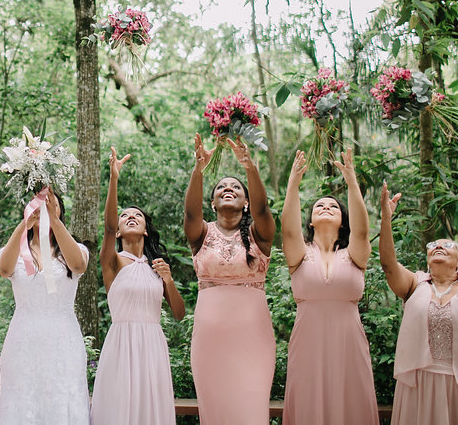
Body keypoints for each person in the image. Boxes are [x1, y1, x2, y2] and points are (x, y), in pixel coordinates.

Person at [380, 182, 458, 425]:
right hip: (421, 387)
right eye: (432, 245)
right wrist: (386, 218)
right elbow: (388, 265)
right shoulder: (415, 285)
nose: (437, 246)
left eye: (447, 245)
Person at [280, 148, 378, 425]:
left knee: (350, 404)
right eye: (319, 206)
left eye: (333, 206)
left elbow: (362, 231)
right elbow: (288, 230)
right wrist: (293, 184)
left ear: (343, 221)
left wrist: (352, 181)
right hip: (308, 343)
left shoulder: (354, 254)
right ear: (310, 220)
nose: (326, 207)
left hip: (348, 345)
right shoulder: (299, 254)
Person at [184, 134, 276, 425]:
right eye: (221, 186)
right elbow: (189, 212)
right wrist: (198, 169)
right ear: (212, 203)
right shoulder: (201, 235)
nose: (228, 188)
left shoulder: (258, 234)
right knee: (215, 410)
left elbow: (262, 210)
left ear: (246, 202)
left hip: (253, 338)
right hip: (209, 340)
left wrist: (249, 167)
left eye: (235, 187)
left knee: (251, 406)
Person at [90, 147, 185, 425]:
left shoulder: (158, 267)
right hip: (122, 343)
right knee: (120, 409)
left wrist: (167, 280)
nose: (130, 216)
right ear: (118, 231)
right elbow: (106, 228)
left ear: (145, 229)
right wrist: (113, 178)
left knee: (149, 409)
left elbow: (179, 314)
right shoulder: (113, 262)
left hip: (152, 345)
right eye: (124, 216)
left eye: (137, 215)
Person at [0, 187, 90, 424]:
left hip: (63, 339)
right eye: (37, 203)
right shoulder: (15, 250)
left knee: (63, 396)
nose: (43, 208)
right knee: (22, 400)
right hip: (23, 340)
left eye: (50, 203)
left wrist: (54, 220)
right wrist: (23, 225)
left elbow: (78, 266)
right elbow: (4, 270)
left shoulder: (75, 250)